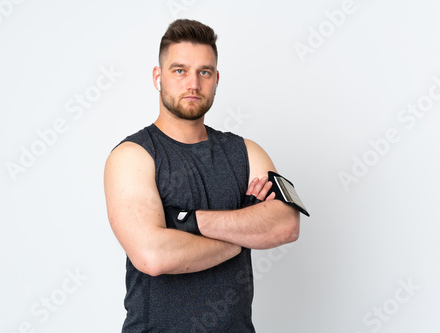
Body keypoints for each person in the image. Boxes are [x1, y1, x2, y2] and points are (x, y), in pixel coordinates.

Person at [104, 19, 302, 332]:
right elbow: (152, 255)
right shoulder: (132, 156)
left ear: (216, 79)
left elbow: (287, 224)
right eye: (179, 70)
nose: (193, 84)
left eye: (204, 72)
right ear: (158, 77)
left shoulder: (245, 152)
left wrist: (188, 221)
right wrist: (239, 239)